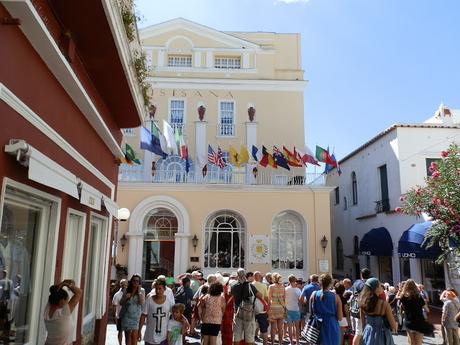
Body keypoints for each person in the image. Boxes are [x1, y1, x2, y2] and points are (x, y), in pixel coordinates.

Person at [359, 278, 397, 345]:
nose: (382, 287)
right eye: (379, 285)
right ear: (375, 289)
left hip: (368, 332)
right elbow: (393, 326)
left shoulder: (362, 303)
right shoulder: (384, 304)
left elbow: (363, 322)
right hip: (382, 334)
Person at [44, 279, 82, 345]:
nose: (68, 302)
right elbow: (79, 292)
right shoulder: (63, 313)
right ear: (61, 301)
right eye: (67, 300)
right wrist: (65, 284)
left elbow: (54, 292)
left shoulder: (47, 310)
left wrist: (63, 284)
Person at [231, 268, 262, 345]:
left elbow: (230, 294)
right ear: (245, 275)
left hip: (238, 314)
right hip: (249, 314)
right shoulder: (250, 286)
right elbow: (260, 296)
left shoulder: (233, 286)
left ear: (237, 275)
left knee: (236, 338)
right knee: (249, 338)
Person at [397, 279, 432, 345]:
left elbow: (397, 297)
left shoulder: (403, 297)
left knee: (411, 342)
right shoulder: (419, 297)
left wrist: (399, 289)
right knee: (418, 342)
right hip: (419, 321)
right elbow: (427, 310)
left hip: (409, 320)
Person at [139, 279, 175, 345]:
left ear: (164, 289)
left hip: (163, 337)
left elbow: (175, 314)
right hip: (149, 336)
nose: (158, 291)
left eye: (160, 289)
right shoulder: (149, 300)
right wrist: (139, 330)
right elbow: (143, 315)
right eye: (156, 289)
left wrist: (184, 321)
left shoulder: (169, 302)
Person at [310, 273, 342, 345]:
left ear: (320, 282)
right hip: (332, 325)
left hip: (317, 324)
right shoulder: (336, 297)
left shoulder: (314, 294)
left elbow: (311, 311)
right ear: (331, 283)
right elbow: (340, 317)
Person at [120, 274, 145, 345]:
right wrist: (125, 297)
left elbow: (142, 302)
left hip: (136, 318)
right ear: (131, 282)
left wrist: (139, 292)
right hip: (126, 316)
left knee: (134, 336)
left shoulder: (142, 291)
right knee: (128, 337)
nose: (135, 283)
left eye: (137, 281)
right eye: (134, 281)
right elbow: (121, 302)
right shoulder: (127, 290)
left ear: (139, 283)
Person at [350, 268, 371, 345]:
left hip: (356, 309)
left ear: (361, 275)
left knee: (359, 331)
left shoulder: (356, 283)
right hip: (365, 309)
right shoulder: (368, 284)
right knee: (359, 332)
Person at [268, 273, 286, 345]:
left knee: (273, 327)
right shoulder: (283, 286)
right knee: (280, 328)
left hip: (273, 308)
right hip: (281, 308)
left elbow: (269, 299)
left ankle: (272, 343)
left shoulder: (271, 286)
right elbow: (284, 298)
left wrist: (267, 309)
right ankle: (280, 343)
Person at [253, 271, 270, 345]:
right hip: (262, 310)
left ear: (254, 277)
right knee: (264, 330)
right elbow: (266, 298)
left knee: (251, 328)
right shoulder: (264, 286)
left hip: (252, 309)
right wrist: (267, 309)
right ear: (260, 277)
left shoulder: (250, 285)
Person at [285, 274, 301, 345]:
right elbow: (300, 300)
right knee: (297, 327)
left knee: (289, 327)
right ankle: (297, 342)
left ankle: (291, 342)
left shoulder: (286, 289)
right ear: (295, 281)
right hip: (296, 309)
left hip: (288, 309)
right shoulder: (298, 290)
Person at [112, 279, 128, 345]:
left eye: (125, 284)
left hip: (128, 316)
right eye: (122, 283)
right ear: (120, 284)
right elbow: (114, 306)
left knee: (128, 333)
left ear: (127, 285)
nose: (123, 285)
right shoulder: (117, 295)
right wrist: (114, 317)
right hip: (120, 316)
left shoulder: (130, 294)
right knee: (120, 331)